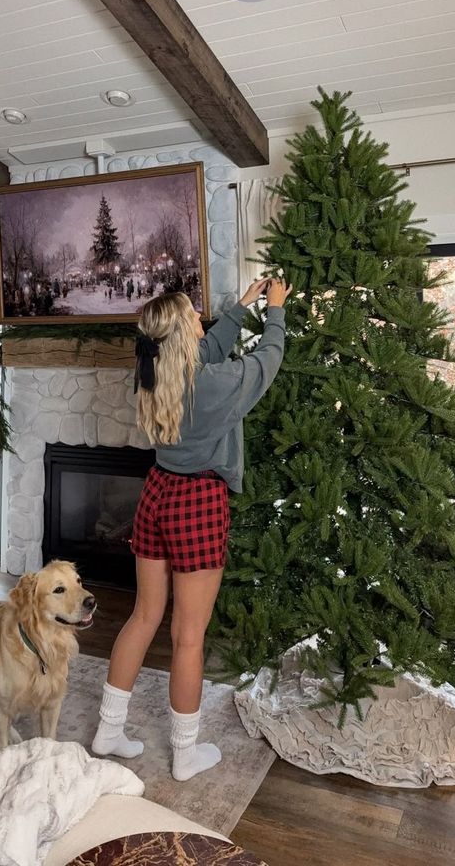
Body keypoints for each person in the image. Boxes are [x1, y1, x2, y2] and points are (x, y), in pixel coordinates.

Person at [91, 277, 291, 781]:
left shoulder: (152, 371)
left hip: (157, 492)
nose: (201, 326)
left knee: (144, 616)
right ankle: (185, 755)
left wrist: (242, 306)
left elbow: (209, 347)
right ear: (184, 334)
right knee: (188, 635)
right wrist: (275, 311)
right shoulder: (215, 385)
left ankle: (108, 731)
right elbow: (268, 361)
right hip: (198, 501)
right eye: (193, 321)